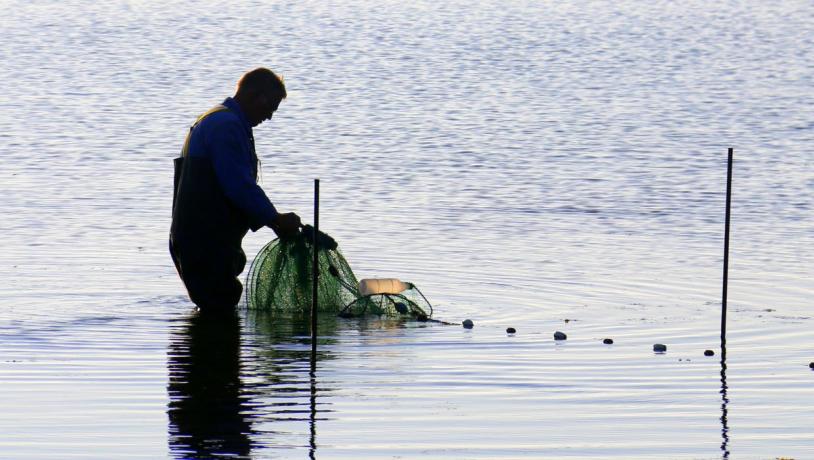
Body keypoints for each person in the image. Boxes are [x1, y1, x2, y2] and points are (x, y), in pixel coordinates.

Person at [170, 67, 301, 312]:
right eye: (270, 107)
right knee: (219, 312)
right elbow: (238, 185)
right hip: (204, 242)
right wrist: (275, 220)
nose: (270, 117)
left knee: (216, 311)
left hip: (202, 239)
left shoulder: (217, 120)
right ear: (254, 96)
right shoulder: (226, 125)